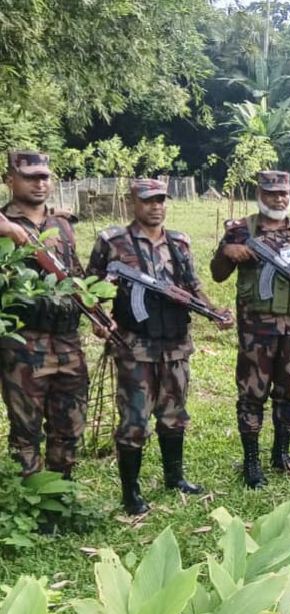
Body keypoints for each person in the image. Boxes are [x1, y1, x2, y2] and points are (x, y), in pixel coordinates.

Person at [87, 179, 234, 515]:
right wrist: (98, 320)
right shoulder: (114, 242)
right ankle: (131, 494)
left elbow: (192, 285)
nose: (156, 207)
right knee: (134, 420)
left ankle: (175, 477)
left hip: (176, 345)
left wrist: (214, 312)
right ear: (133, 203)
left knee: (174, 416)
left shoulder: (179, 242)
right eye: (148, 201)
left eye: (160, 200)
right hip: (134, 346)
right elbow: (90, 287)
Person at [210, 170, 290, 488]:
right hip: (256, 330)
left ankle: (281, 453)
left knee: (288, 392)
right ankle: (251, 461)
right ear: (260, 195)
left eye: (284, 194)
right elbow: (218, 274)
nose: (279, 199)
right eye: (272, 193)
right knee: (252, 394)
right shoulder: (241, 230)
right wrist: (228, 253)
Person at [0, 150, 91, 479]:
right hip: (23, 345)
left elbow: (76, 276)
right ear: (10, 179)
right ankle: (30, 502)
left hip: (67, 341)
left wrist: (99, 312)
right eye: (30, 177)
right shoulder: (3, 222)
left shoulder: (61, 226)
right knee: (25, 431)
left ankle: (60, 495)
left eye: (45, 177)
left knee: (69, 425)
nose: (40, 183)